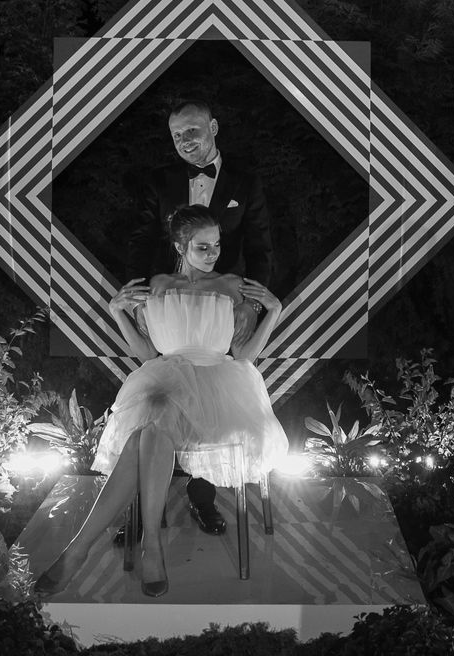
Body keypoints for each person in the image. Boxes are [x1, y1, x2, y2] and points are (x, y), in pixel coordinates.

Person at [35, 205, 287, 597]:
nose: (213, 254)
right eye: (202, 247)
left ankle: (83, 548)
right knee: (153, 422)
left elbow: (244, 355)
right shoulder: (158, 285)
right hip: (164, 378)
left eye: (217, 245)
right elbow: (147, 355)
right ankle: (149, 546)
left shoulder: (232, 286)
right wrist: (116, 312)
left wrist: (274, 311)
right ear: (180, 246)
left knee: (148, 429)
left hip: (219, 392)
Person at [125, 98, 274, 535]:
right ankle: (145, 509)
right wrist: (139, 301)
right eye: (177, 135)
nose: (185, 140)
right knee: (156, 400)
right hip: (170, 307)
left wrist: (251, 304)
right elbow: (140, 240)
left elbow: (261, 247)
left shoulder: (246, 181)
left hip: (222, 308)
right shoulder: (160, 181)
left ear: (213, 127)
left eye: (192, 130)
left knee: (211, 399)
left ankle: (201, 498)